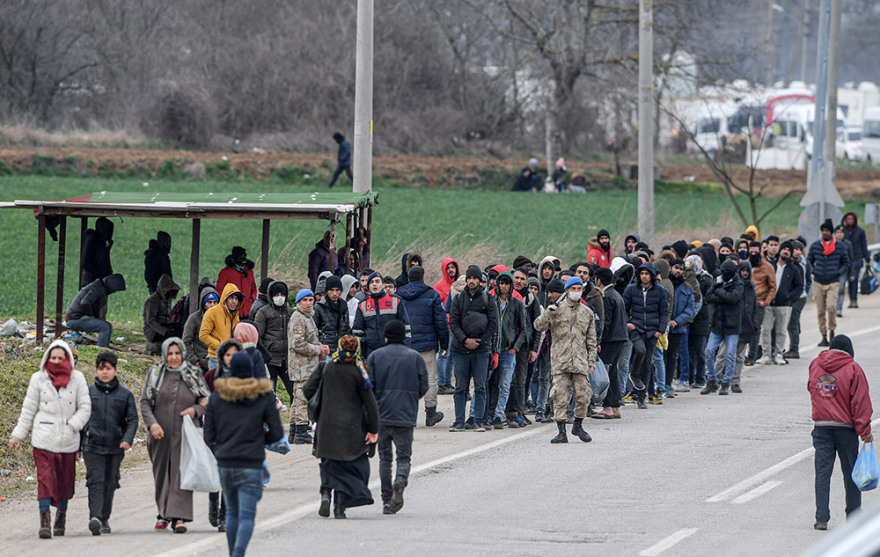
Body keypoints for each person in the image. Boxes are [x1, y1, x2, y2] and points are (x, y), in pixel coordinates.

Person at [8, 340, 91, 539]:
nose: (56, 361)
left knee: (65, 482)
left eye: (60, 358)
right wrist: (18, 435)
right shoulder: (38, 379)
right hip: (43, 438)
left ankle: (61, 516)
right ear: (47, 358)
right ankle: (44, 519)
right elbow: (28, 409)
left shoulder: (77, 379)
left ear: (68, 359)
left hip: (68, 441)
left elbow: (85, 407)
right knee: (45, 479)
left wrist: (73, 425)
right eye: (53, 358)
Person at [204, 351, 283, 556]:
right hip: (252, 462)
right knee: (246, 515)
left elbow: (209, 433)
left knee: (231, 512)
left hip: (226, 461)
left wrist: (223, 444)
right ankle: (237, 554)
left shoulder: (217, 397)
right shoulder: (263, 396)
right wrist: (259, 441)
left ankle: (234, 554)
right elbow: (277, 433)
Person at [303, 335, 379, 519]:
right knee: (347, 468)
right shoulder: (359, 370)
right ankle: (339, 508)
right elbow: (370, 404)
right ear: (357, 350)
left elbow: (307, 389)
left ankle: (326, 495)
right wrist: (374, 429)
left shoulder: (326, 366)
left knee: (329, 463)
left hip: (326, 425)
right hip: (352, 428)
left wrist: (322, 404)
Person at [139, 338, 210, 533]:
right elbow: (145, 402)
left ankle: (179, 518)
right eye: (170, 354)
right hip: (159, 435)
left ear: (183, 354)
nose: (174, 357)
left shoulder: (193, 374)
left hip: (186, 433)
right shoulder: (155, 374)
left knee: (182, 473)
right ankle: (163, 514)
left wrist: (195, 410)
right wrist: (152, 424)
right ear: (164, 354)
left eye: (177, 353)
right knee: (162, 475)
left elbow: (206, 400)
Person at [808, 334, 873, 531]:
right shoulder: (853, 368)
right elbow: (860, 402)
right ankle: (853, 516)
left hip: (821, 427)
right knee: (851, 473)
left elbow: (811, 388)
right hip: (845, 429)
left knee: (822, 473)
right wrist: (864, 431)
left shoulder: (815, 364)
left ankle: (821, 517)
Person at [367, 320, 428, 514]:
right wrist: (411, 398)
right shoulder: (415, 357)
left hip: (382, 416)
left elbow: (368, 387)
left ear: (385, 337)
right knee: (404, 457)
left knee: (385, 459)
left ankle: (386, 501)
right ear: (404, 337)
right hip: (405, 415)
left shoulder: (375, 356)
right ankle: (400, 479)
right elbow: (424, 385)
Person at [534, 277, 597, 443]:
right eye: (573, 288)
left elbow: (591, 339)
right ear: (567, 290)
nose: (576, 292)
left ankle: (578, 425)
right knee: (560, 396)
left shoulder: (587, 313)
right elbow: (538, 326)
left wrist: (592, 361)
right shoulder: (556, 309)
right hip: (560, 360)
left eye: (579, 288)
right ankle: (561, 431)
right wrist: (548, 313)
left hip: (580, 361)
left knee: (584, 395)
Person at [82, 351, 138, 536]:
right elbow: (81, 418)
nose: (104, 372)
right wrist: (80, 443)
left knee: (110, 481)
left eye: (108, 368)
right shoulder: (88, 393)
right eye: (101, 368)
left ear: (115, 370)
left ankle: (104, 517)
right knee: (95, 480)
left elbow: (132, 420)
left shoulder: (125, 394)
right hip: (93, 446)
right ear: (96, 370)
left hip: (115, 446)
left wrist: (127, 439)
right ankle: (95, 517)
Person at [447, 265, 499, 432]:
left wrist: (480, 341)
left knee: (481, 386)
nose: (471, 281)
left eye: (475, 278)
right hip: (460, 349)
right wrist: (465, 340)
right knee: (460, 387)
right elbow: (453, 323)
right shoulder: (458, 299)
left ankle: (478, 421)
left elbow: (493, 325)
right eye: (469, 278)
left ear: (480, 281)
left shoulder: (488, 300)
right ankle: (459, 421)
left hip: (481, 350)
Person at [397, 265, 449, 427]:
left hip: (405, 345)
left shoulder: (399, 295)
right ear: (422, 277)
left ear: (408, 278)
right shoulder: (432, 294)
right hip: (427, 345)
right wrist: (444, 343)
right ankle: (431, 414)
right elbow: (440, 322)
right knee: (430, 378)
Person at [622, 262, 669, 409]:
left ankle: (642, 397)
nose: (644, 276)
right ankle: (634, 374)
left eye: (646, 274)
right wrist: (628, 324)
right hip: (636, 328)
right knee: (640, 351)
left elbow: (664, 312)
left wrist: (660, 330)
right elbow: (624, 309)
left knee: (648, 363)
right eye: (641, 273)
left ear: (652, 275)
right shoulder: (631, 289)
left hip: (653, 331)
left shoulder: (660, 291)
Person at [486, 271, 529, 429]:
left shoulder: (517, 303)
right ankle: (486, 414)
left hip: (508, 350)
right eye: (501, 283)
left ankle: (498, 415)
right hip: (492, 349)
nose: (503, 286)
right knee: (488, 383)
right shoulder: (491, 301)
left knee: (505, 384)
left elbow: (523, 329)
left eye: (506, 283)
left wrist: (515, 348)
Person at [288, 289, 329, 444]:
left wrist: (321, 347)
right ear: (298, 302)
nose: (308, 303)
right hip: (301, 366)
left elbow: (311, 339)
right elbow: (297, 343)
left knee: (297, 399)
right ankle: (301, 431)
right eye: (304, 300)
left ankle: (293, 431)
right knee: (303, 398)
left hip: (309, 365)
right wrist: (318, 349)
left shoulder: (308, 317)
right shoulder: (298, 318)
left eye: (310, 300)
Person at [700, 260, 744, 396]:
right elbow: (708, 297)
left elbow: (733, 298)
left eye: (727, 272)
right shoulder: (718, 281)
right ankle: (711, 380)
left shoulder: (739, 283)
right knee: (708, 351)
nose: (724, 274)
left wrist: (718, 291)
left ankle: (726, 383)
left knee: (730, 355)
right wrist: (720, 292)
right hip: (717, 324)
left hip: (732, 325)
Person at [756, 241, 803, 366]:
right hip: (768, 303)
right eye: (784, 249)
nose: (786, 251)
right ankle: (766, 354)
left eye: (789, 250)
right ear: (780, 250)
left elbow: (799, 287)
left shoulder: (793, 269)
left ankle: (778, 354)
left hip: (784, 304)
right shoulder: (770, 265)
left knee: (781, 330)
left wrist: (790, 297)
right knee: (765, 329)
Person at [808, 219, 851, 347]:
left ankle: (832, 331)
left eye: (827, 230)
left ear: (831, 232)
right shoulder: (815, 246)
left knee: (831, 308)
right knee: (820, 310)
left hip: (833, 282)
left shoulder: (839, 246)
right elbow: (809, 260)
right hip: (818, 281)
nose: (824, 232)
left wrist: (838, 272)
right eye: (823, 230)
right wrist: (814, 271)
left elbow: (846, 263)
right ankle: (823, 335)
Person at [353, 272, 411, 358]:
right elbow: (358, 332)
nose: (374, 284)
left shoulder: (396, 301)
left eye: (377, 281)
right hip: (371, 351)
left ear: (382, 284)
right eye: (371, 282)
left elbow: (406, 327)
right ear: (368, 286)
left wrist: (406, 349)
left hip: (394, 350)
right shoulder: (363, 305)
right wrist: (361, 355)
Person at [594, 268, 626, 419]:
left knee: (605, 374)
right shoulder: (617, 294)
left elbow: (605, 323)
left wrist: (599, 340)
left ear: (598, 280)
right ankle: (615, 406)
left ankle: (607, 406)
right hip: (619, 338)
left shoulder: (606, 296)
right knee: (612, 373)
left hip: (610, 339)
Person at [255, 280, 294, 402]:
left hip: (286, 359)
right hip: (270, 359)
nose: (279, 298)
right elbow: (257, 336)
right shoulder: (263, 312)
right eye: (276, 295)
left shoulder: (290, 312)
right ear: (270, 296)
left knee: (294, 391)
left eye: (282, 295)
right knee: (269, 393)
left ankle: (297, 418)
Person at [65, 273, 127, 347]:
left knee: (108, 326)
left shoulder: (101, 288)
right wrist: (91, 315)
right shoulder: (97, 288)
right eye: (115, 290)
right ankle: (101, 350)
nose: (114, 292)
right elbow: (85, 302)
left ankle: (105, 347)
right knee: (104, 327)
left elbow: (95, 308)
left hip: (77, 318)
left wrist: (97, 319)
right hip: (74, 319)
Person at [665, 259, 695, 395]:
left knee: (672, 356)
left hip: (678, 328)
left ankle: (668, 384)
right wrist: (666, 320)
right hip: (663, 327)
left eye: (681, 269)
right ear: (670, 267)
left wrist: (676, 321)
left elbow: (690, 309)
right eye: (676, 268)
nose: (678, 271)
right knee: (660, 357)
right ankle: (659, 383)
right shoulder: (664, 284)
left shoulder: (687, 287)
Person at [199, 284, 245, 369]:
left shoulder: (235, 314)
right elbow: (203, 335)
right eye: (231, 298)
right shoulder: (212, 312)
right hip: (216, 359)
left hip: (233, 359)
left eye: (236, 299)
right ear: (225, 298)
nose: (234, 301)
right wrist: (221, 347)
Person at [746, 240, 776, 365]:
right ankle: (744, 354)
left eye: (755, 252)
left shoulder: (767, 267)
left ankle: (752, 356)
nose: (753, 254)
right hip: (745, 302)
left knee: (755, 329)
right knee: (744, 329)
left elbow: (773, 286)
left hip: (759, 302)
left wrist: (766, 301)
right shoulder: (745, 264)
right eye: (751, 251)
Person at [433, 257, 460, 394]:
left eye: (453, 267)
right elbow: (438, 307)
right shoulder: (439, 286)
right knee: (444, 354)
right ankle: (442, 384)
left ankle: (448, 382)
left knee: (452, 355)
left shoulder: (459, 284)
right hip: (446, 324)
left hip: (457, 325)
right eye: (448, 268)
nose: (451, 270)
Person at [182, 285, 219, 372]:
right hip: (202, 364)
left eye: (215, 302)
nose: (212, 305)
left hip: (218, 362)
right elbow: (185, 341)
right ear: (203, 303)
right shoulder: (194, 319)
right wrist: (194, 360)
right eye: (209, 302)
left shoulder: (223, 318)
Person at [143, 273, 182, 355]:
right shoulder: (153, 301)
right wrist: (165, 332)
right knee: (172, 337)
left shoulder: (166, 299)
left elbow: (168, 317)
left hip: (163, 326)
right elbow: (150, 321)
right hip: (153, 331)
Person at [785, 240, 811, 360]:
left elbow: (805, 281)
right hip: (791, 297)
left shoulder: (802, 265)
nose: (798, 252)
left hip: (799, 297)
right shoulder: (788, 263)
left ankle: (794, 349)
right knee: (794, 323)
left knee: (792, 323)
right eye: (796, 249)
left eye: (800, 250)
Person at [217, 247, 258, 318]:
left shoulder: (249, 272)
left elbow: (253, 288)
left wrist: (252, 300)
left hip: (248, 310)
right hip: (231, 311)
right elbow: (219, 290)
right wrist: (226, 304)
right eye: (241, 256)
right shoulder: (225, 272)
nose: (243, 258)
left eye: (244, 256)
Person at [842, 212, 870, 309]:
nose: (850, 221)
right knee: (844, 281)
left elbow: (863, 244)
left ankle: (853, 300)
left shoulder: (860, 231)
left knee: (853, 280)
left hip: (857, 259)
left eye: (851, 219)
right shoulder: (842, 231)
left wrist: (867, 258)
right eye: (848, 219)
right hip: (845, 259)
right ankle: (842, 301)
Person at [81, 216, 114, 286]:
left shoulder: (103, 242)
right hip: (91, 282)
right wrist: (100, 272)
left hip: (101, 281)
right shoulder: (92, 240)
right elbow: (85, 263)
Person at [833, 226, 854, 318]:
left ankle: (839, 308)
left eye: (841, 232)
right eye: (837, 232)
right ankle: (831, 308)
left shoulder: (848, 244)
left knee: (841, 289)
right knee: (832, 290)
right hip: (832, 270)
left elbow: (851, 259)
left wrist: (852, 273)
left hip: (843, 271)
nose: (839, 234)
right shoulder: (831, 244)